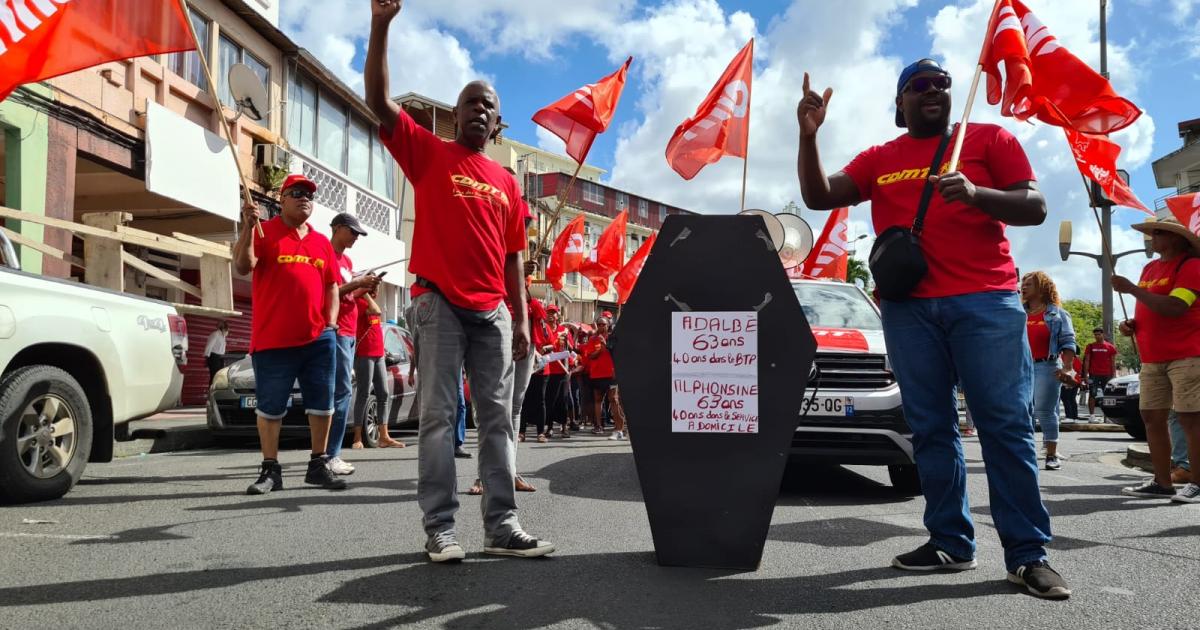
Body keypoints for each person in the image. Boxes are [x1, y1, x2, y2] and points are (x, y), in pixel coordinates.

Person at [795, 59, 1069, 598]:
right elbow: (819, 196)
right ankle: (949, 542)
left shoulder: (989, 138)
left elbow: (1035, 206)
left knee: (1004, 427)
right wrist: (809, 138)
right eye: (919, 86)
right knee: (930, 429)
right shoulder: (881, 157)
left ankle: (1027, 555)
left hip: (986, 303)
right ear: (900, 103)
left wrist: (976, 194)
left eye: (942, 84)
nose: (933, 92)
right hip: (910, 310)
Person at [366, 0, 551, 562]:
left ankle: (502, 526)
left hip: (493, 311)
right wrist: (381, 26)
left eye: (487, 106)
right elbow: (378, 102)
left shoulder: (506, 182)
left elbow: (514, 256)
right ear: (457, 114)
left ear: (497, 123)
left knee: (498, 417)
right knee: (440, 418)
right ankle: (441, 529)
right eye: (470, 103)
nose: (478, 111)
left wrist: (520, 317)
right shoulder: (429, 153)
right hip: (438, 302)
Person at [234, 174, 346, 494]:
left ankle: (318, 465)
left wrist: (332, 323)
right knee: (270, 407)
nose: (304, 198)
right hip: (273, 338)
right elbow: (243, 266)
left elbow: (332, 285)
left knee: (323, 404)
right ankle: (271, 470)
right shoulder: (263, 231)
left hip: (318, 338)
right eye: (297, 193)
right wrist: (246, 227)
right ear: (282, 199)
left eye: (310, 194)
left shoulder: (321, 242)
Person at [1113, 213, 1200, 504]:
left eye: (1159, 232)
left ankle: (1197, 483)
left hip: (1187, 354)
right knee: (1151, 416)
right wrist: (1131, 326)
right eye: (1152, 232)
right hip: (1154, 357)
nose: (1153, 237)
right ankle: (1162, 482)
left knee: (1190, 419)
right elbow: (1151, 308)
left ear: (1177, 237)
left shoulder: (1192, 266)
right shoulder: (1150, 268)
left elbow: (1176, 306)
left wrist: (1133, 289)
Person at [327, 212, 380, 476]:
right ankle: (330, 454)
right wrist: (357, 283)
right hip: (334, 331)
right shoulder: (325, 253)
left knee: (341, 393)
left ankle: (330, 453)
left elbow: (347, 295)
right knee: (339, 393)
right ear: (337, 228)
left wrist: (365, 287)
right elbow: (329, 291)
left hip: (348, 333)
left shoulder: (347, 260)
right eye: (353, 232)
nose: (357, 238)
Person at [1021, 271, 1078, 470]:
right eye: (1023, 283)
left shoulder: (1057, 313)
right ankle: (1024, 454)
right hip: (1021, 367)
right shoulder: (1017, 311)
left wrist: (1068, 368)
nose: (1024, 287)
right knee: (1022, 411)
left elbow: (1068, 342)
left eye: (1029, 283)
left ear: (1042, 287)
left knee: (1044, 411)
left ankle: (1052, 455)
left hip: (1047, 366)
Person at [351, 290, 405, 449]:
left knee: (384, 393)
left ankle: (384, 436)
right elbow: (376, 310)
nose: (376, 290)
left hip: (378, 354)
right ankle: (357, 438)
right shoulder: (360, 303)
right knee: (363, 393)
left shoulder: (369, 302)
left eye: (377, 287)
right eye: (372, 287)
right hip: (364, 354)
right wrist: (365, 292)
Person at [585, 317, 627, 440]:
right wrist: (600, 350)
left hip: (611, 374)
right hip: (597, 374)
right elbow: (591, 356)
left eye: (603, 324)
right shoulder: (593, 339)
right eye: (599, 324)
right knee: (598, 400)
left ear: (608, 325)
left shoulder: (613, 338)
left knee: (613, 399)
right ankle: (598, 426)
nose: (601, 326)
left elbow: (618, 354)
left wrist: (606, 344)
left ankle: (619, 429)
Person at [1082, 328, 1118, 422]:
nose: (1097, 336)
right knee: (1092, 394)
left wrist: (1114, 376)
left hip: (1107, 375)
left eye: (1099, 334)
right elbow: (1087, 360)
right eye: (1095, 334)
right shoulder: (1090, 346)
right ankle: (1092, 416)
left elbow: (1113, 362)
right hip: (1094, 374)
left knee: (1108, 396)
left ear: (1103, 334)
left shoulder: (1110, 347)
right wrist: (1085, 375)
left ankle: (1108, 417)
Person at [1059, 356, 1084, 422]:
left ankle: (1069, 416)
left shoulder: (1064, 357)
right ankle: (1074, 416)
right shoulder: (1077, 359)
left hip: (1068, 380)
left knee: (1066, 399)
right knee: (1072, 399)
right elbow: (1079, 370)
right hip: (1076, 380)